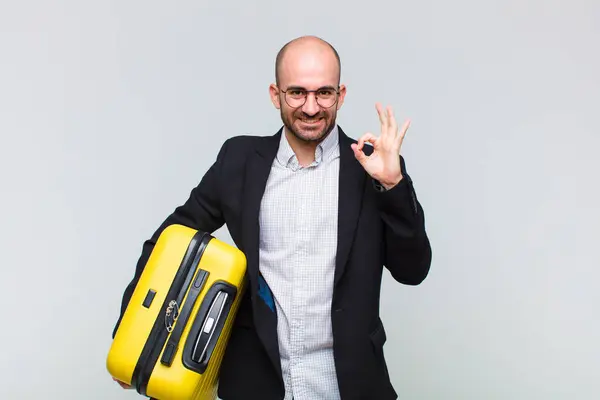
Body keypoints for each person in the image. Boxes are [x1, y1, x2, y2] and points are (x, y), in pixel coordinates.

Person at [112, 35, 432, 400]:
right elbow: (167, 243)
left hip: (349, 384)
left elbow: (413, 270)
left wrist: (393, 184)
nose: (311, 107)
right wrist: (132, 335)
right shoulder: (239, 160)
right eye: (297, 92)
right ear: (275, 94)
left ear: (341, 95)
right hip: (256, 382)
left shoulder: (373, 168)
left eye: (323, 93)